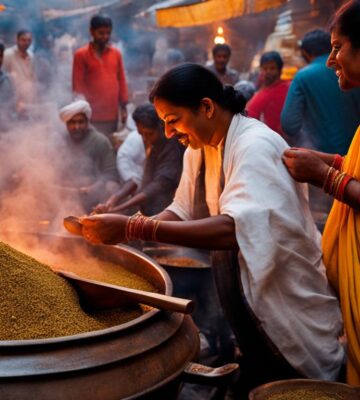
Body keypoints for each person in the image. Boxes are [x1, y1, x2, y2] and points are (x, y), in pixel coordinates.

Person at [79, 64, 344, 392]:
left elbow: (234, 229)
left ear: (206, 107)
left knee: (300, 388)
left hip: (287, 302)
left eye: (172, 120)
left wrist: (134, 228)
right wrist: (124, 231)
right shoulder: (199, 147)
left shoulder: (255, 144)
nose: (168, 133)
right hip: (247, 306)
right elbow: (180, 209)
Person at [282, 0, 360, 385]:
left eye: (338, 47)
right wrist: (330, 160)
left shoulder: (302, 78)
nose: (331, 61)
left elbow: (289, 120)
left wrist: (325, 177)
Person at [94, 103, 183, 216]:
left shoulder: (172, 145)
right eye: (142, 134)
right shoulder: (153, 144)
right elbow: (137, 180)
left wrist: (119, 208)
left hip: (169, 208)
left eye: (149, 134)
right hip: (150, 205)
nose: (145, 139)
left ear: (161, 128)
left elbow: (160, 184)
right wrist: (114, 199)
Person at [281, 29, 360, 154]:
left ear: (306, 53)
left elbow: (289, 125)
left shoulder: (302, 77)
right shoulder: (352, 67)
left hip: (324, 158)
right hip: (355, 154)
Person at [57, 99, 119, 211]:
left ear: (87, 122)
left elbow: (111, 173)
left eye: (81, 122)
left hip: (93, 194)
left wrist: (96, 186)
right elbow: (49, 171)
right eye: (72, 122)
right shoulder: (59, 141)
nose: (76, 126)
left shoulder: (100, 141)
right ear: (66, 124)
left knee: (111, 187)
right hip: (65, 193)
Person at [72, 14, 129, 137]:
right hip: (91, 114)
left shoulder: (116, 54)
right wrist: (81, 113)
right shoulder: (81, 55)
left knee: (109, 145)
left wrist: (124, 107)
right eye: (101, 33)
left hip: (111, 113)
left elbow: (122, 81)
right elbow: (78, 86)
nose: (105, 37)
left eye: (108, 33)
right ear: (91, 31)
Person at [246, 51, 290, 138]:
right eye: (265, 69)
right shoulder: (260, 90)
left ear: (280, 70)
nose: (268, 72)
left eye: (272, 68)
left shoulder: (288, 88)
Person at [3, 30, 38, 110]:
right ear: (17, 40)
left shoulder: (31, 56)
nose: (26, 43)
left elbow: (33, 78)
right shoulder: (8, 54)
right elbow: (2, 76)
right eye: (23, 40)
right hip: (13, 98)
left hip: (29, 98)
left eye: (29, 40)